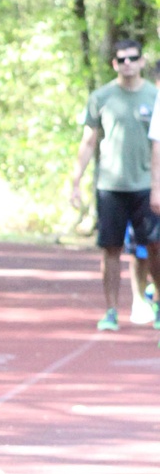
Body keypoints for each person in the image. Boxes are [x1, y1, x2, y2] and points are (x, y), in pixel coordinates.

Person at [72, 38, 160, 331]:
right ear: (114, 63)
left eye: (132, 58)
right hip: (111, 185)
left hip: (146, 184)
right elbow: (88, 141)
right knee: (110, 248)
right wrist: (75, 179)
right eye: (121, 59)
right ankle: (111, 310)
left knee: (153, 246)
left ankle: (155, 303)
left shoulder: (154, 95)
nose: (127, 64)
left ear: (141, 61)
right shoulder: (101, 97)